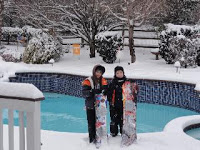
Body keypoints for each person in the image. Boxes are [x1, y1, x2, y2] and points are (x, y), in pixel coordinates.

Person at [107, 66, 138, 137]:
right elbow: (109, 93)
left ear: (123, 73)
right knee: (114, 120)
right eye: (117, 73)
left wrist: (135, 88)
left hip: (124, 106)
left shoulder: (127, 82)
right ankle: (113, 134)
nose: (119, 74)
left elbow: (134, 92)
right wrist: (110, 100)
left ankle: (123, 133)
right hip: (114, 105)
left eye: (121, 72)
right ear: (115, 74)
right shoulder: (112, 83)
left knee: (123, 121)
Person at [82, 65, 108, 144]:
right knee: (91, 123)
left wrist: (106, 92)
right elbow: (84, 93)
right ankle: (92, 139)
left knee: (101, 123)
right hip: (91, 105)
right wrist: (91, 92)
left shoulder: (103, 80)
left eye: (100, 72)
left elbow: (106, 91)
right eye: (97, 72)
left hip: (101, 106)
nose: (98, 74)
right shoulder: (88, 81)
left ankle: (101, 138)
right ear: (94, 71)